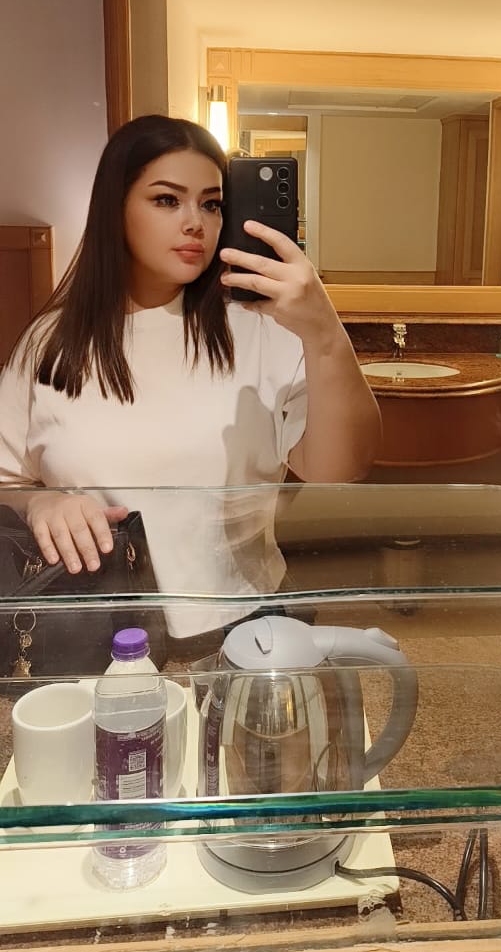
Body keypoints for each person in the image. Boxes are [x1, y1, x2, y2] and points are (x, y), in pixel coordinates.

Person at [0, 115, 381, 638]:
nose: (195, 223)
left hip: (245, 621)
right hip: (94, 631)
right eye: (166, 200)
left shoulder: (260, 328)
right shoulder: (51, 341)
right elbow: (6, 483)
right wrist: (42, 502)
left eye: (211, 203)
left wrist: (326, 334)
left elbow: (339, 470)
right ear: (115, 208)